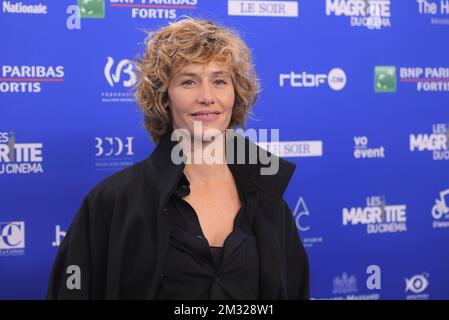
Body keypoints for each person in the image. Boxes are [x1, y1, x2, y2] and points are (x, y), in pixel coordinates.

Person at [47, 17, 309, 300]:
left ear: (236, 94)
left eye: (219, 81)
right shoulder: (112, 202)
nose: (207, 97)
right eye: (188, 81)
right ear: (164, 98)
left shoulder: (268, 198)